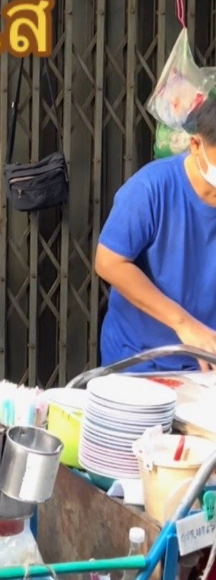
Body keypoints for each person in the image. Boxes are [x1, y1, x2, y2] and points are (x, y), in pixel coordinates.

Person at [95, 96, 216, 373]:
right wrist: (184, 324)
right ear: (196, 145)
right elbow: (108, 262)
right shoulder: (151, 188)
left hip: (207, 366)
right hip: (141, 361)